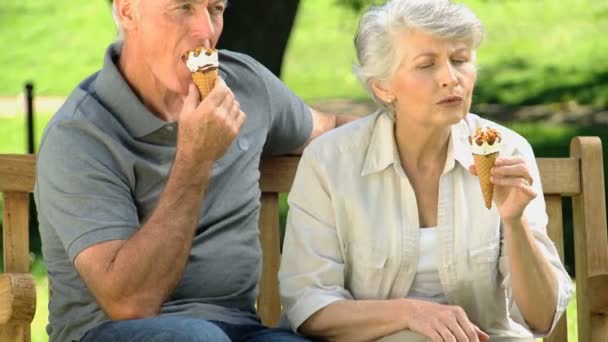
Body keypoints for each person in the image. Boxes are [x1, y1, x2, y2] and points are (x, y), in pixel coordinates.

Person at [34, 0, 356, 341]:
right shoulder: (81, 135)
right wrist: (196, 157)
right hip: (112, 331)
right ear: (128, 11)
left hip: (239, 328)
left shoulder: (244, 86)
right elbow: (130, 304)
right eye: (183, 8)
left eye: (215, 9)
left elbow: (333, 130)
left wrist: (410, 126)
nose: (206, 31)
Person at [278, 0, 573, 341]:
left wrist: (514, 221)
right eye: (426, 65)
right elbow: (310, 304)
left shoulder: (507, 151)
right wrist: (412, 314)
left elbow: (541, 317)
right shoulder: (329, 162)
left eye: (460, 60)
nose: (451, 78)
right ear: (382, 87)